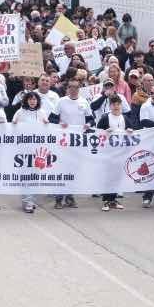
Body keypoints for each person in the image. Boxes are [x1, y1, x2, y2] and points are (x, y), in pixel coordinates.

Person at [50, 79, 93, 209]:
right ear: (67, 88)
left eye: (76, 87)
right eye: (71, 87)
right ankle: (58, 198)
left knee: (74, 169)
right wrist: (59, 124)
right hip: (63, 141)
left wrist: (88, 125)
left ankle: (70, 196)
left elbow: (91, 119)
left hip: (77, 141)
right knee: (61, 169)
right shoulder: (61, 101)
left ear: (79, 89)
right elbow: (51, 118)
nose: (73, 89)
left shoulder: (84, 102)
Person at [12, 91, 48, 213]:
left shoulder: (42, 113)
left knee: (35, 176)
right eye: (30, 99)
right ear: (26, 100)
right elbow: (13, 128)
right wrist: (14, 124)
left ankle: (31, 199)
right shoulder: (20, 112)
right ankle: (27, 201)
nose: (32, 101)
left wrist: (47, 125)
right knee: (26, 175)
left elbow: (47, 129)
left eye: (34, 99)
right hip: (24, 149)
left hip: (38, 150)